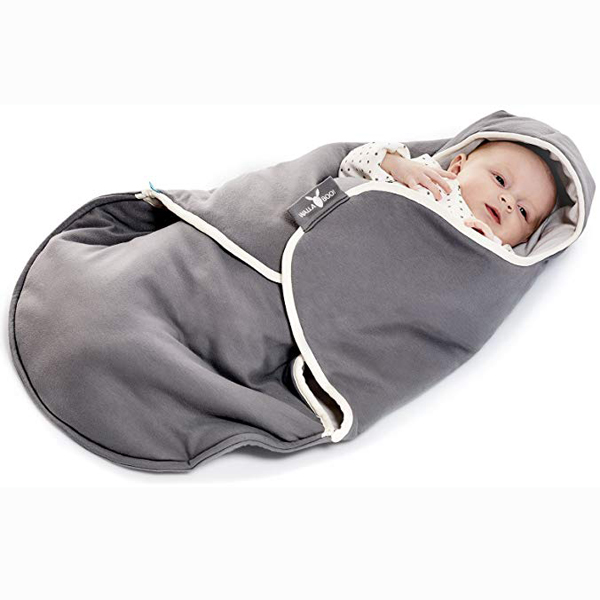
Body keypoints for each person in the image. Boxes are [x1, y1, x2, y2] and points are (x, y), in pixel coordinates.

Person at [338, 140, 558, 252]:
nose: (508, 202)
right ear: (457, 168)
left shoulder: (496, 247)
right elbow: (350, 166)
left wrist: (482, 246)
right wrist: (395, 164)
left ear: (524, 239)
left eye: (523, 211)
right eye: (500, 180)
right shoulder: (429, 177)